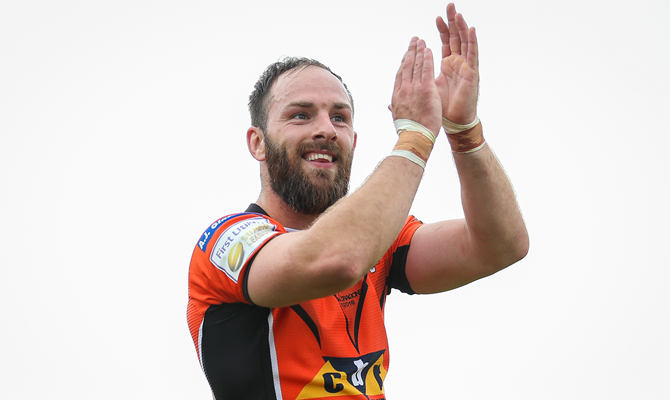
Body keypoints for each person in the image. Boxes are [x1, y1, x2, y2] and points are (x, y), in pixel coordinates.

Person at [187, 3, 528, 399]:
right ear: (258, 143)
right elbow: (339, 259)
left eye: (340, 118)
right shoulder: (226, 240)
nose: (326, 130)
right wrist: (415, 138)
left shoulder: (380, 237)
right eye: (300, 115)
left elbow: (503, 245)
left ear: (354, 140)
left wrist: (463, 130)